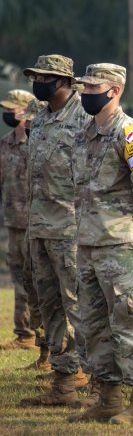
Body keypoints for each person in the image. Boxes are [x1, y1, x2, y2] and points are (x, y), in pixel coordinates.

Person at [66, 63, 133, 424]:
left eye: (94, 87)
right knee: (93, 324)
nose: (86, 92)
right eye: (84, 87)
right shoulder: (84, 135)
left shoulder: (131, 132)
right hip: (89, 243)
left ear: (115, 90)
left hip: (123, 245)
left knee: (130, 321)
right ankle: (107, 397)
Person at [20, 54, 91, 408]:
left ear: (63, 81)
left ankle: (93, 379)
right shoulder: (43, 117)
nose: (38, 82)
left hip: (71, 228)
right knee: (50, 307)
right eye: (35, 77)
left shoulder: (85, 118)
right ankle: (63, 382)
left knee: (77, 304)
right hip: (40, 227)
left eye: (45, 77)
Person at [0, 90, 44, 356]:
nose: (7, 113)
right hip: (13, 222)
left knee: (37, 281)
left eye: (11, 108)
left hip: (36, 223)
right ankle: (24, 333)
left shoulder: (37, 142)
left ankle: (41, 339)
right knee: (19, 278)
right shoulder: (5, 144)